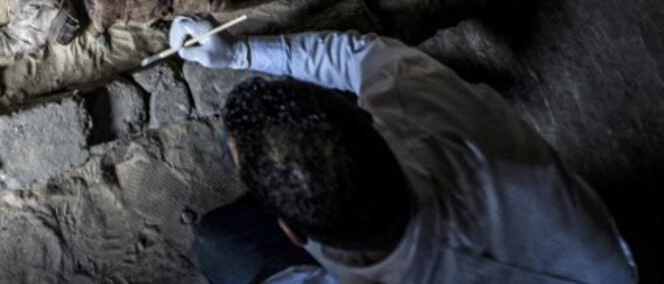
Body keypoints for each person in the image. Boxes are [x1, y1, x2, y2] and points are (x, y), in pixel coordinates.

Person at [168, 15, 638, 284]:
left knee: (220, 245)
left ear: (292, 233)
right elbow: (358, 58)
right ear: (368, 121)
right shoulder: (433, 109)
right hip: (576, 251)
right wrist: (236, 54)